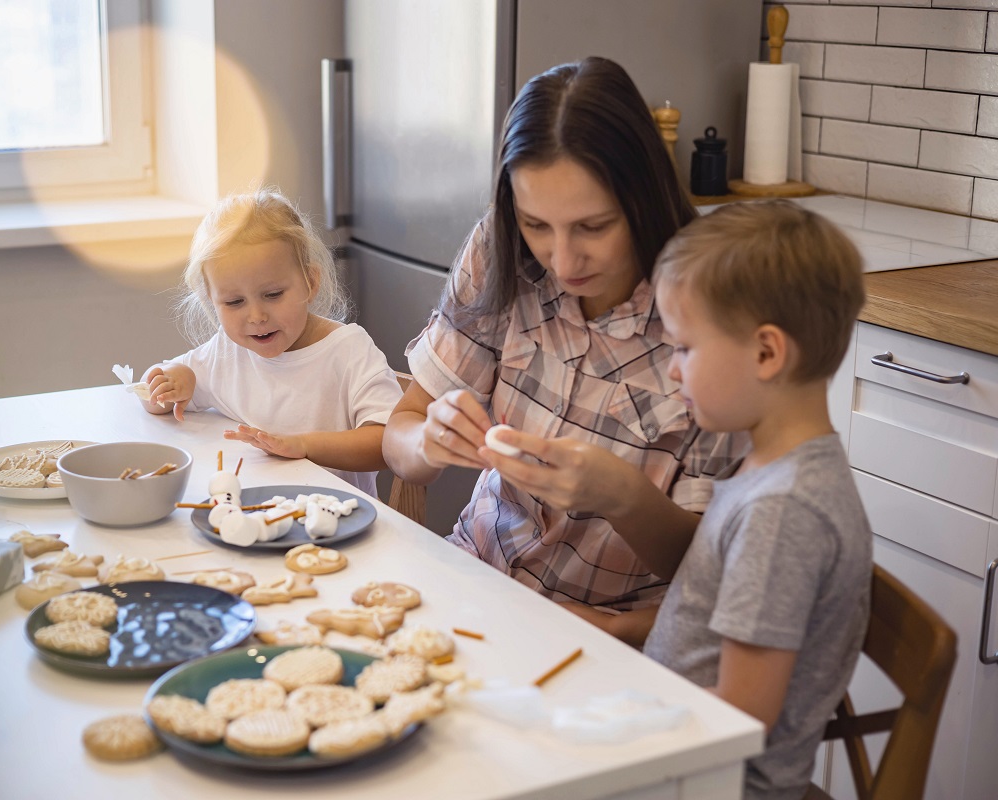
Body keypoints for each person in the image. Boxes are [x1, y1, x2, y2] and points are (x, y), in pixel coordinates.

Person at [496, 200, 873, 799]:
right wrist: (614, 630)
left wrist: (600, 736)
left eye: (685, 349)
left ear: (767, 353)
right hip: (681, 746)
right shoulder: (772, 468)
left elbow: (741, 716)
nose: (672, 373)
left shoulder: (784, 512)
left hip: (708, 779)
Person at [382, 57, 746, 644]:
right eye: (536, 224)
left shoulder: (710, 307)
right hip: (471, 584)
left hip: (613, 639)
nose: (562, 260)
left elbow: (709, 574)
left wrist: (623, 498)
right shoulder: (500, 251)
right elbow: (397, 437)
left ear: (643, 197)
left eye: (594, 226)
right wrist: (427, 442)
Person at [142, 188, 403, 498]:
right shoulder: (227, 351)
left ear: (311, 281)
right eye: (234, 302)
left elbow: (388, 443)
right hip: (253, 514)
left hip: (337, 526)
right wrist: (167, 381)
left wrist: (305, 446)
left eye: (273, 295)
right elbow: (154, 400)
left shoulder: (348, 351)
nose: (256, 316)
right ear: (212, 302)